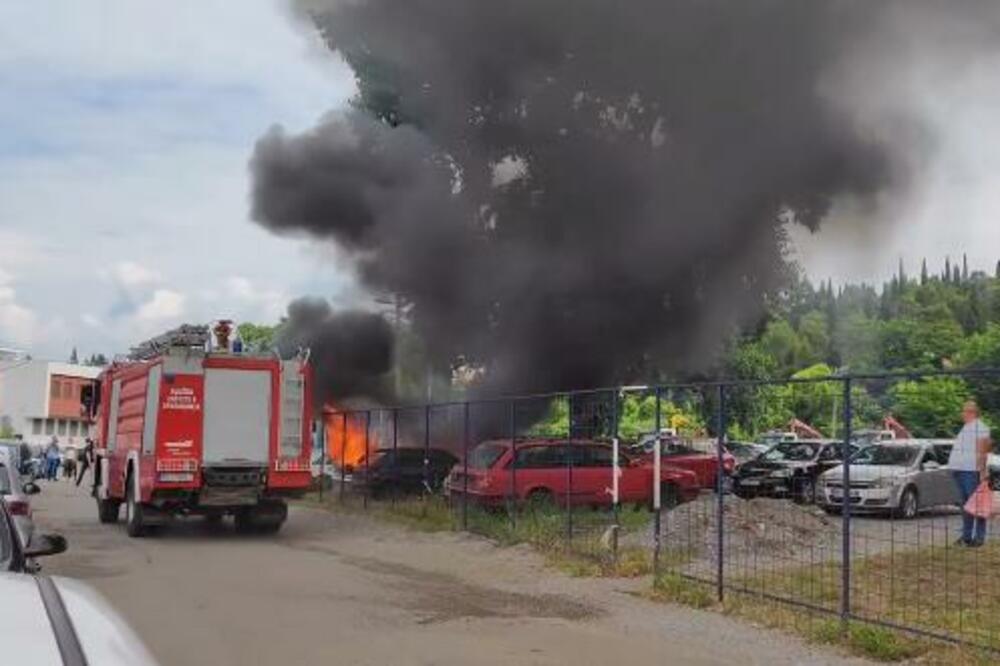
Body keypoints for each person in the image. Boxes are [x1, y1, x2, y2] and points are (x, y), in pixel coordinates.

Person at [952, 401, 992, 547]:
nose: (962, 414)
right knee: (966, 506)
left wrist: (982, 472)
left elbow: (982, 452)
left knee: (977, 505)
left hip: (972, 472)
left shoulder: (980, 428)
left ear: (972, 413)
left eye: (965, 411)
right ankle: (966, 536)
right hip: (960, 471)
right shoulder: (966, 428)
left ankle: (979, 537)